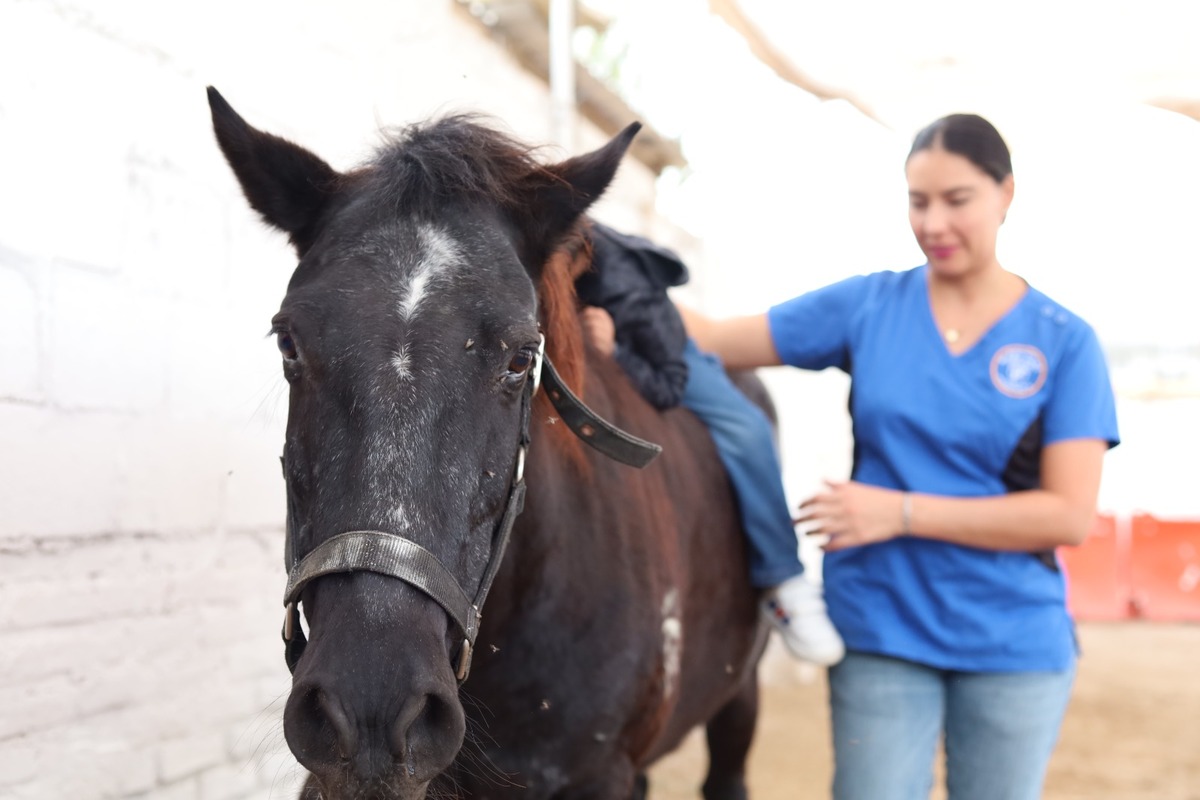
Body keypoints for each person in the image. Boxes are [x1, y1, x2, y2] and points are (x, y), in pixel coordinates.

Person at [680, 113, 1120, 799]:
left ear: (1006, 194)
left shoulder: (1065, 342)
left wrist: (900, 512)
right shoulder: (869, 305)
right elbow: (711, 338)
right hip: (880, 625)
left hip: (1013, 641)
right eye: (918, 202)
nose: (933, 223)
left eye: (957, 200)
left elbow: (1067, 516)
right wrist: (605, 277)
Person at [570, 220, 846, 667]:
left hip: (669, 359)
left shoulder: (630, 292)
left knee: (747, 429)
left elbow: (669, 385)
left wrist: (616, 352)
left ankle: (783, 579)